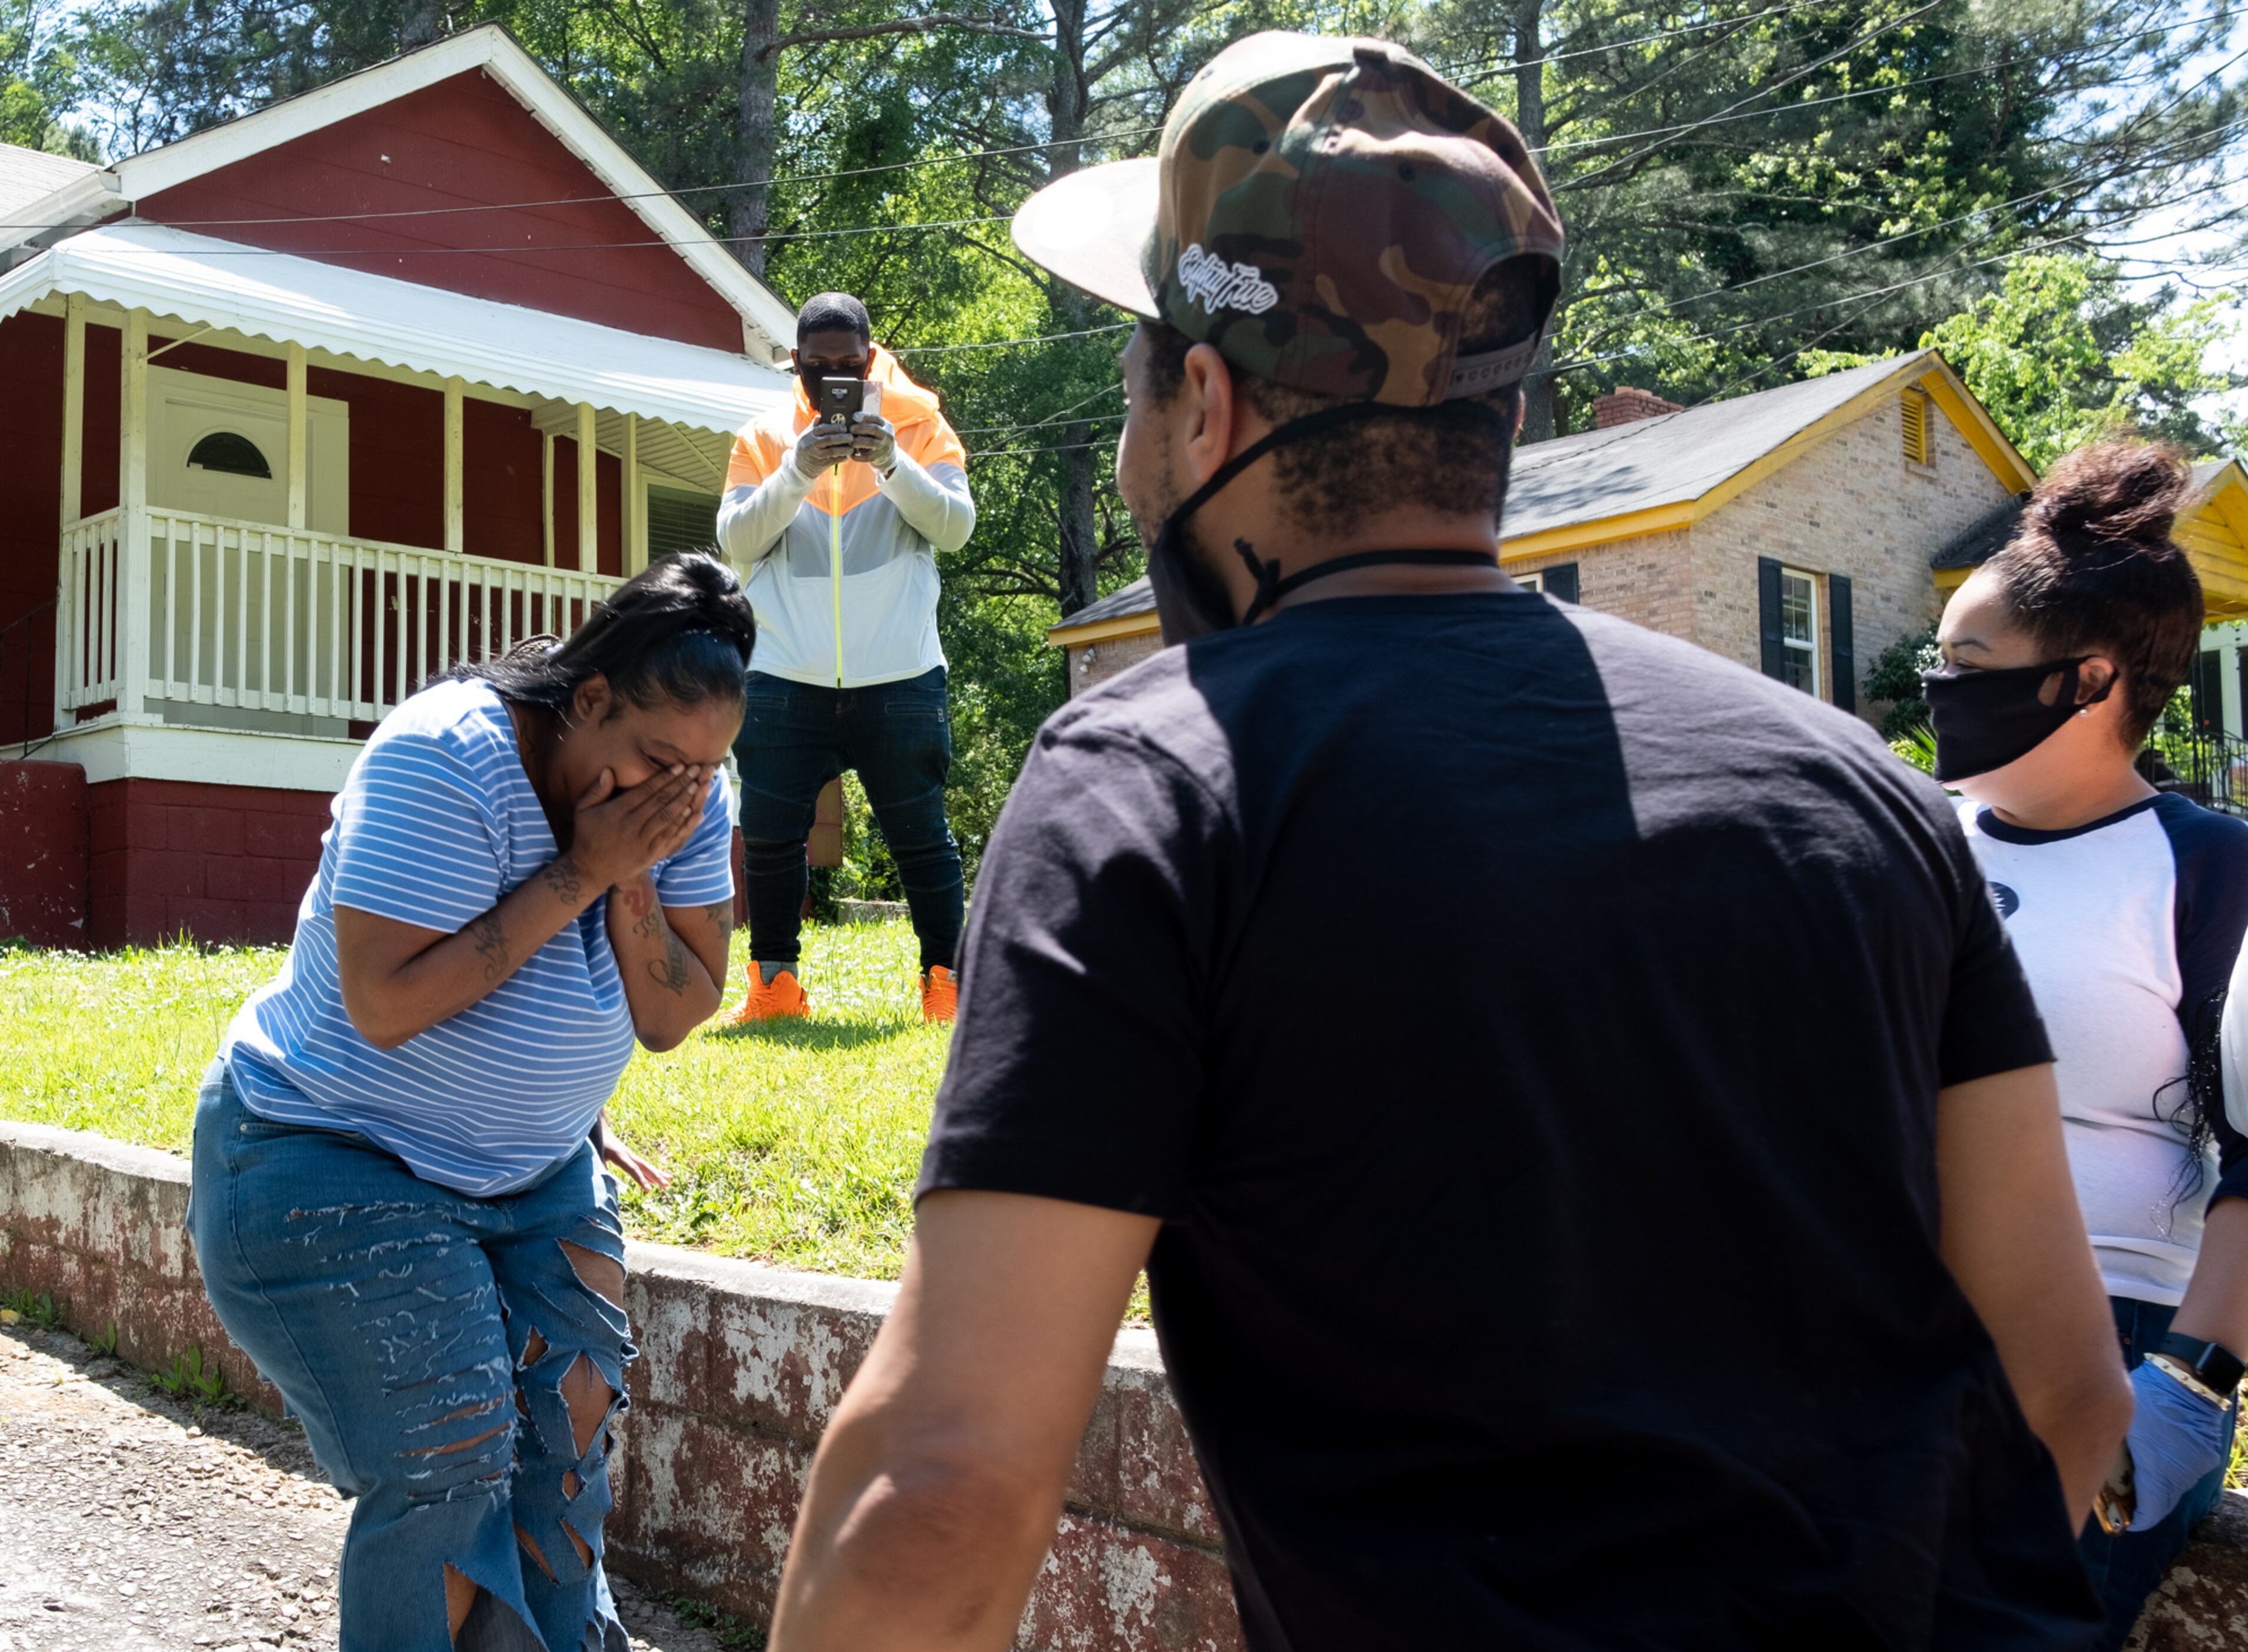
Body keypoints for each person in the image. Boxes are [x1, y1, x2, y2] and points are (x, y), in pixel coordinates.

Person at [762, 32, 2132, 1652]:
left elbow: (941, 1494)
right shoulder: (1868, 790)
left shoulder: (1153, 780)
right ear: (1504, 415)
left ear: (1203, 403)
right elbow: (2071, 1397)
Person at [189, 554, 750, 1652]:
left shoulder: (683, 793)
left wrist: (636, 871)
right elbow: (386, 1004)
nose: (676, 791)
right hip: (327, 1149)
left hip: (536, 1176)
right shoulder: (448, 758)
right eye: (652, 761)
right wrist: (585, 870)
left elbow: (677, 1008)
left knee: (569, 1452)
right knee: (447, 1461)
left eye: (701, 771)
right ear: (588, 702)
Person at [1928, 444, 2248, 1648]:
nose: (1936, 688)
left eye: (1966, 664)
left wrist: (2187, 1384)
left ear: (2088, 680)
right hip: (1900, 1315)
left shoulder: (2214, 868)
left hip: (2107, 1330)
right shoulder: (1912, 836)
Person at [716, 291, 976, 1024]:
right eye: (817, 368)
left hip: (899, 673)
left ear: (872, 357)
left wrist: (892, 460)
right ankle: (774, 988)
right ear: (795, 364)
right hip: (784, 675)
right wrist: (795, 470)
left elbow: (955, 530)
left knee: (922, 838)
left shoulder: (920, 424)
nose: (833, 377)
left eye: (849, 365)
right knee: (769, 839)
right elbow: (736, 544)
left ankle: (945, 987)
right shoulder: (763, 438)